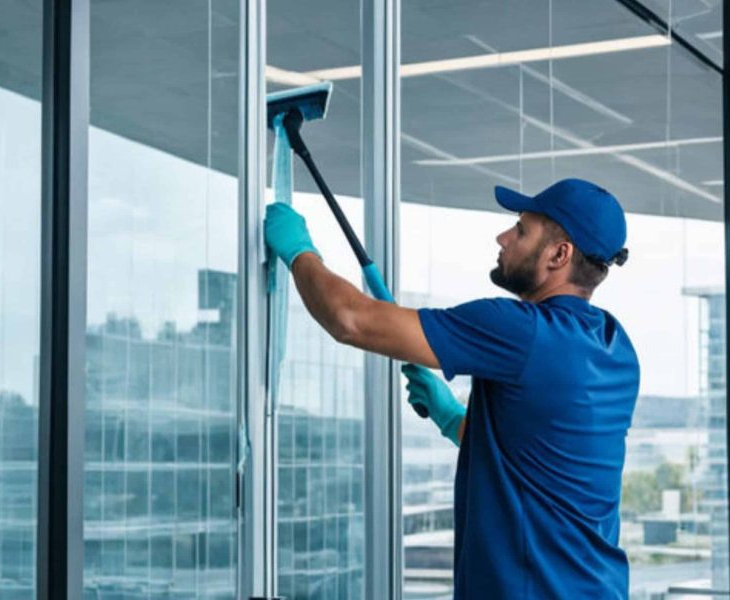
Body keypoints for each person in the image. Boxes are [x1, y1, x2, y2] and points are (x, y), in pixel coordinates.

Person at [264, 178, 640, 599]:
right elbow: (539, 456)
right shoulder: (616, 347)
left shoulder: (522, 332)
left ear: (559, 253)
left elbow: (351, 319)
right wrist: (451, 417)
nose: (503, 237)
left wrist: (298, 251)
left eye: (520, 230)